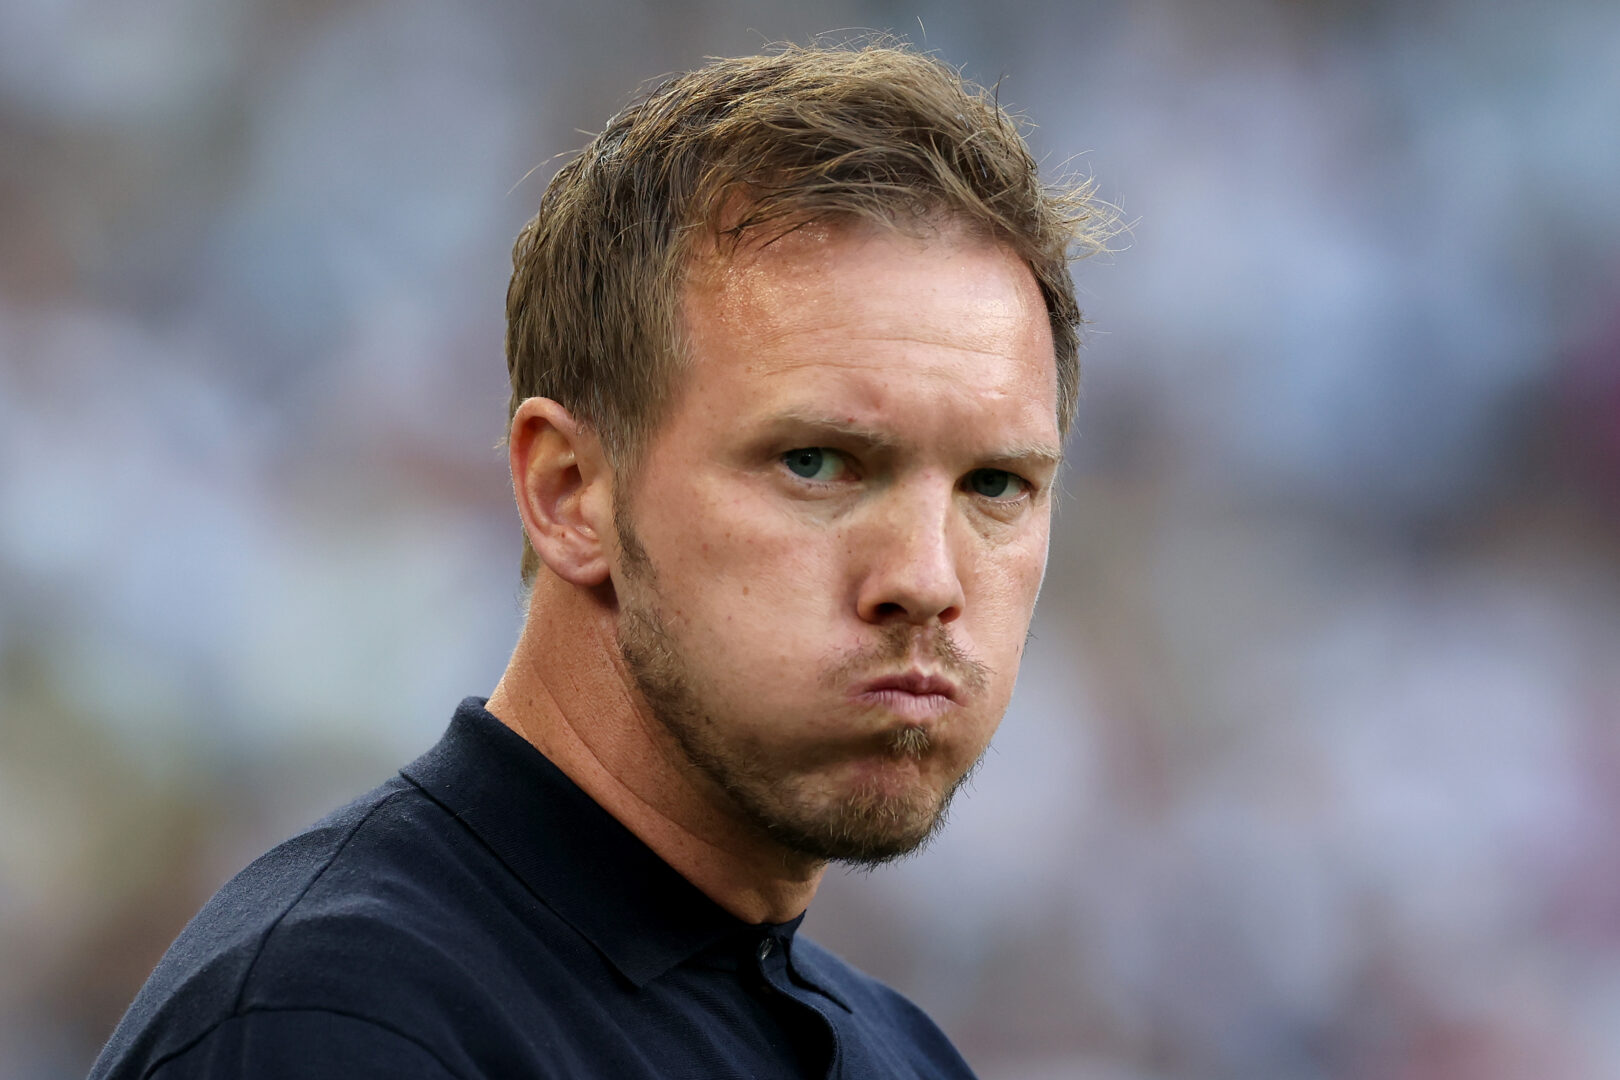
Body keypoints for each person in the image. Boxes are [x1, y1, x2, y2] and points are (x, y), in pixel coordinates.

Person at [89, 42, 1114, 1079]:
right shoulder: (335, 1025)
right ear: (569, 493)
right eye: (815, 463)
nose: (927, 579)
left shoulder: (907, 1057)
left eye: (996, 484)